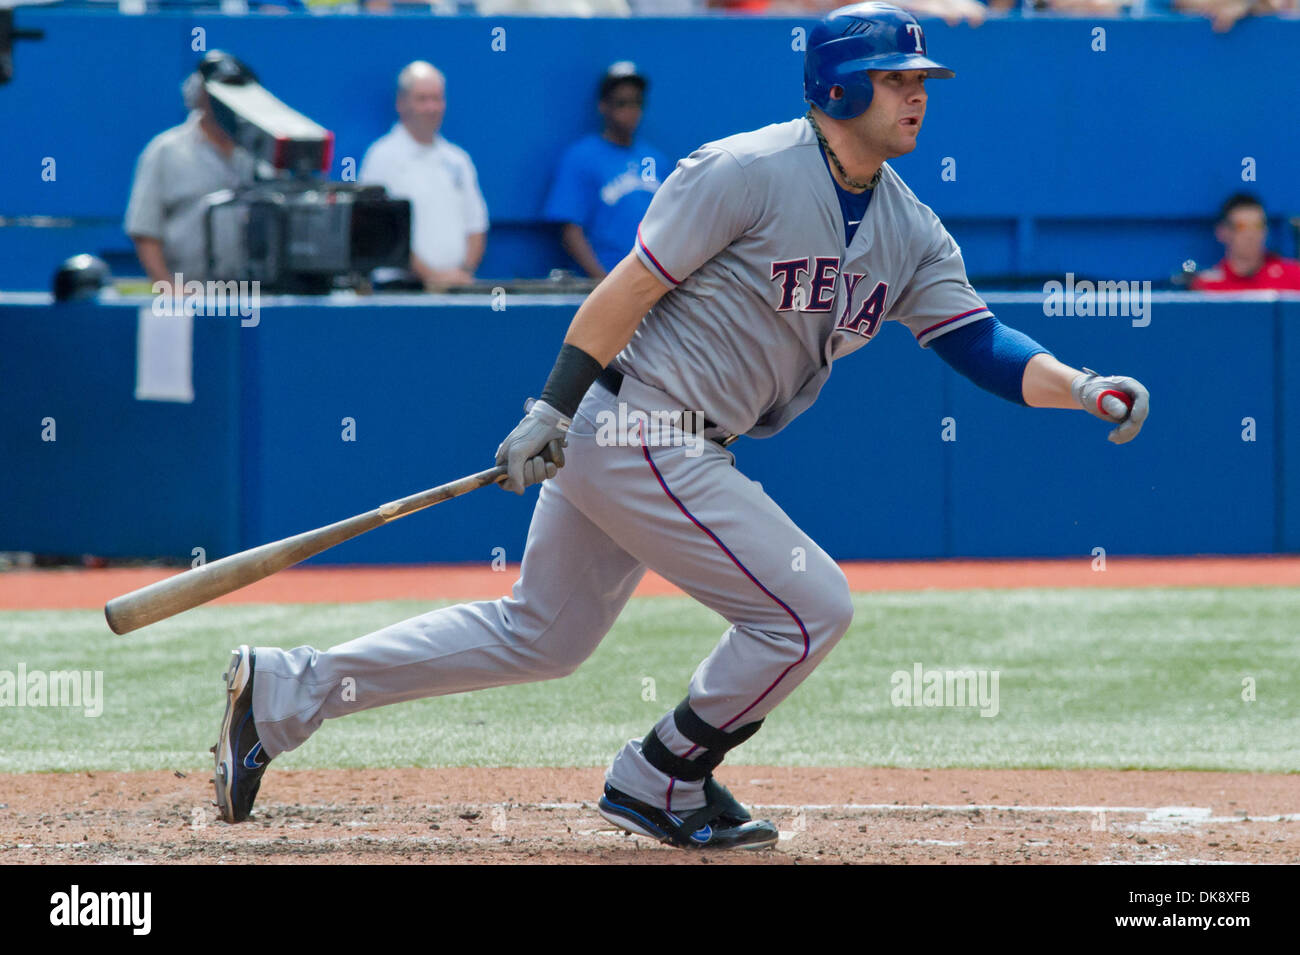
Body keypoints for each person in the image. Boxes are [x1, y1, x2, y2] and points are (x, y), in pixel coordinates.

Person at [213, 3, 1150, 850]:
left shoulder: (909, 227)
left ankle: (284, 690)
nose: (916, 96)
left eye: (920, 82)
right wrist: (553, 404)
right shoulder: (743, 169)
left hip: (670, 439)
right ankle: (661, 775)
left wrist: (1084, 384)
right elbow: (629, 286)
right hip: (644, 426)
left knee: (543, 635)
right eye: (897, 79)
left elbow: (978, 342)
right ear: (839, 85)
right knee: (807, 608)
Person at [124, 52, 258, 289]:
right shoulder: (166, 151)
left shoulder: (257, 153)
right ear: (199, 94)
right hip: (187, 290)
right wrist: (167, 287)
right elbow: (145, 229)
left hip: (249, 293)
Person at [359, 61, 488, 289]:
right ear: (401, 104)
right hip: (399, 290)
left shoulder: (458, 160)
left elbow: (476, 225)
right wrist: (430, 277)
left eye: (437, 98)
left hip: (457, 288)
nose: (431, 107)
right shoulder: (381, 158)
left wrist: (463, 273)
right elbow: (382, 230)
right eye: (422, 99)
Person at [542, 62, 671, 280]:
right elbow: (570, 230)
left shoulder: (656, 159)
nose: (630, 111)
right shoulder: (581, 157)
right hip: (602, 283)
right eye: (622, 103)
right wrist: (603, 283)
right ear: (603, 106)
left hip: (652, 285)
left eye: (637, 103)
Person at [1190, 193, 1300, 292]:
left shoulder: (1294, 276)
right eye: (1241, 227)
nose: (1251, 235)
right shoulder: (1207, 285)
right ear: (1222, 232)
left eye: (1257, 226)